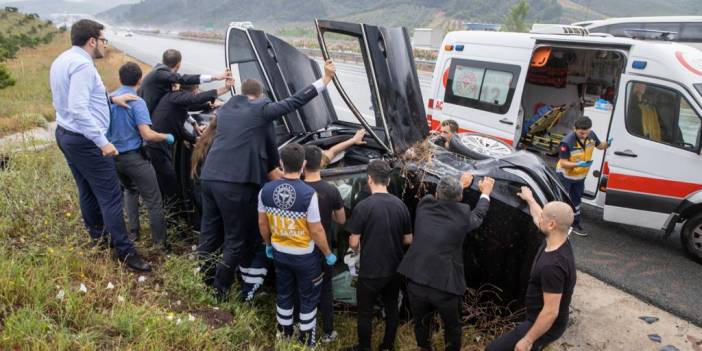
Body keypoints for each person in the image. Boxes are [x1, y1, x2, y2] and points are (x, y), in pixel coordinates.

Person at [197, 60, 337, 300]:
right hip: (235, 184)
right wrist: (323, 81)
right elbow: (293, 102)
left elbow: (258, 141)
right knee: (236, 239)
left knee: (209, 233)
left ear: (243, 93)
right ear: (259, 96)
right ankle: (219, 292)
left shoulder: (228, 108)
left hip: (209, 178)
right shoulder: (261, 108)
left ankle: (204, 280)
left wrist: (271, 163)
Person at [49, 19, 150, 271]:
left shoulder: (62, 60)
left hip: (66, 134)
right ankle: (125, 253)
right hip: (85, 140)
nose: (105, 45)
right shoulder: (83, 66)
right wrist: (103, 142)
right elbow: (79, 108)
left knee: (86, 189)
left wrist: (113, 99)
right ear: (92, 40)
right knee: (111, 195)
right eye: (103, 40)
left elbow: (81, 98)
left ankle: (99, 238)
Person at [398, 173, 495, 351]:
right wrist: (485, 193)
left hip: (416, 279)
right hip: (445, 287)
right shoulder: (463, 217)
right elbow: (478, 215)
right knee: (452, 327)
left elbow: (444, 198)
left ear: (436, 195)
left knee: (421, 322)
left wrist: (459, 184)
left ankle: (424, 347)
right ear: (461, 198)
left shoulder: (424, 204)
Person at [258, 143, 337, 346]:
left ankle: (283, 336)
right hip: (305, 257)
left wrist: (268, 244)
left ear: (281, 164)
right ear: (303, 165)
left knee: (284, 294)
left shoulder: (266, 191)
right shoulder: (308, 194)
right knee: (308, 298)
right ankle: (305, 342)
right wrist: (327, 253)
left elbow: (263, 223)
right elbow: (317, 230)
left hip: (279, 253)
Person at [486, 186, 576, 351]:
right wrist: (530, 199)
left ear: (551, 224)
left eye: (543, 217)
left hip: (544, 324)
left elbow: (550, 312)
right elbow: (537, 215)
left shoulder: (553, 266)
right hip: (538, 318)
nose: (539, 218)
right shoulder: (556, 237)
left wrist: (528, 340)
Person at [344, 159, 413, 351]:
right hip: (395, 269)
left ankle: (364, 348)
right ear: (388, 181)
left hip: (371, 270)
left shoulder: (364, 206)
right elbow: (409, 239)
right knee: (391, 308)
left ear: (369, 180)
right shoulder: (401, 206)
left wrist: (357, 252)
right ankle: (387, 346)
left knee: (364, 312)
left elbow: (354, 242)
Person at [107, 62, 174, 251]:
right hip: (134, 157)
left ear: (120, 78)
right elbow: (147, 134)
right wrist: (166, 137)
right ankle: (160, 244)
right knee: (153, 199)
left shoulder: (110, 98)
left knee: (130, 190)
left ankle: (134, 232)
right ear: (140, 80)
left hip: (114, 157)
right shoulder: (136, 101)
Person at [145, 80, 233, 223]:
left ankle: (177, 221)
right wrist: (195, 138)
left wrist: (208, 106)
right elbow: (182, 124)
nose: (197, 93)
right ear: (192, 91)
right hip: (157, 148)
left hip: (160, 146)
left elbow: (189, 108)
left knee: (170, 186)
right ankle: (176, 222)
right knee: (171, 188)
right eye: (197, 90)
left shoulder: (174, 100)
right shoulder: (176, 98)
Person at [304, 144, 346, 343]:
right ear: (320, 164)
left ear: (302, 164)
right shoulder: (331, 191)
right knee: (325, 289)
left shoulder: (298, 188)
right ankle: (328, 331)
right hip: (323, 249)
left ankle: (300, 327)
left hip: (299, 248)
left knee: (302, 288)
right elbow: (342, 220)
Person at [555, 116, 610, 236]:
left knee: (576, 200)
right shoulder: (567, 142)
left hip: (580, 177)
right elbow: (563, 162)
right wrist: (577, 164)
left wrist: (609, 143)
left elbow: (600, 146)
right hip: (565, 176)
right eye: (581, 133)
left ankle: (574, 225)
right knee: (562, 200)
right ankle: (556, 226)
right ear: (574, 128)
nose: (584, 135)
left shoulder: (591, 135)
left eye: (586, 132)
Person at [139, 48, 231, 113]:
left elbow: (183, 103)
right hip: (146, 121)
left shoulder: (157, 73)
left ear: (163, 61)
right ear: (178, 64)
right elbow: (183, 79)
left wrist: (208, 105)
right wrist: (216, 78)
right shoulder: (161, 74)